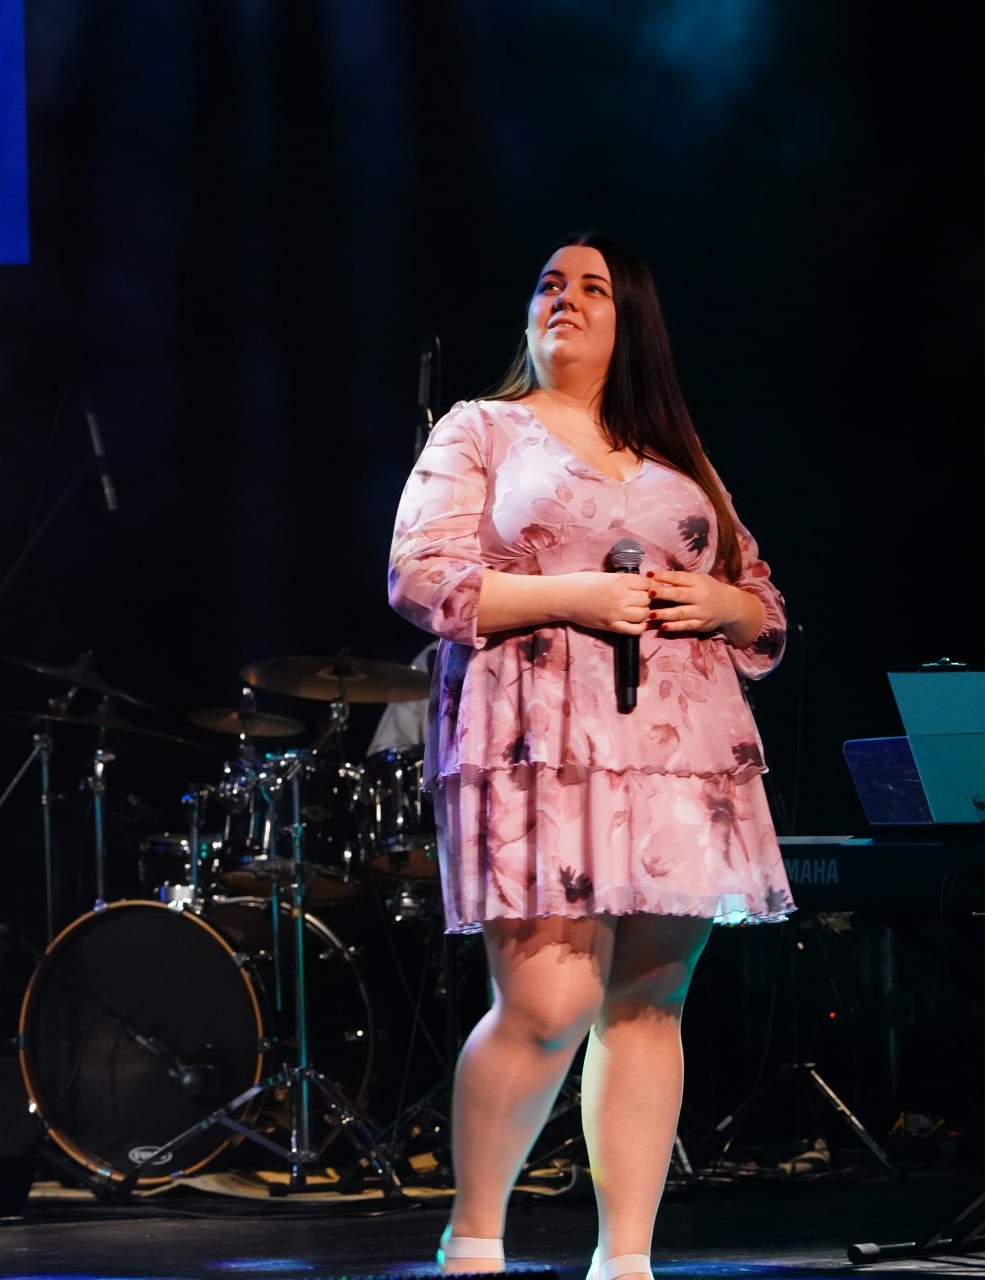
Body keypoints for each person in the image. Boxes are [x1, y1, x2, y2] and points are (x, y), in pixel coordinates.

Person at [387, 235, 793, 1280]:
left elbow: (766, 610)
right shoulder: (482, 428)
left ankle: (628, 1260)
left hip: (679, 752)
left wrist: (722, 602)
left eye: (592, 287)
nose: (564, 298)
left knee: (649, 1003)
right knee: (549, 1002)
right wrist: (576, 595)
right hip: (539, 742)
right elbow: (422, 577)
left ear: (631, 320)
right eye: (549, 284)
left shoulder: (677, 456)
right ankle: (475, 1241)